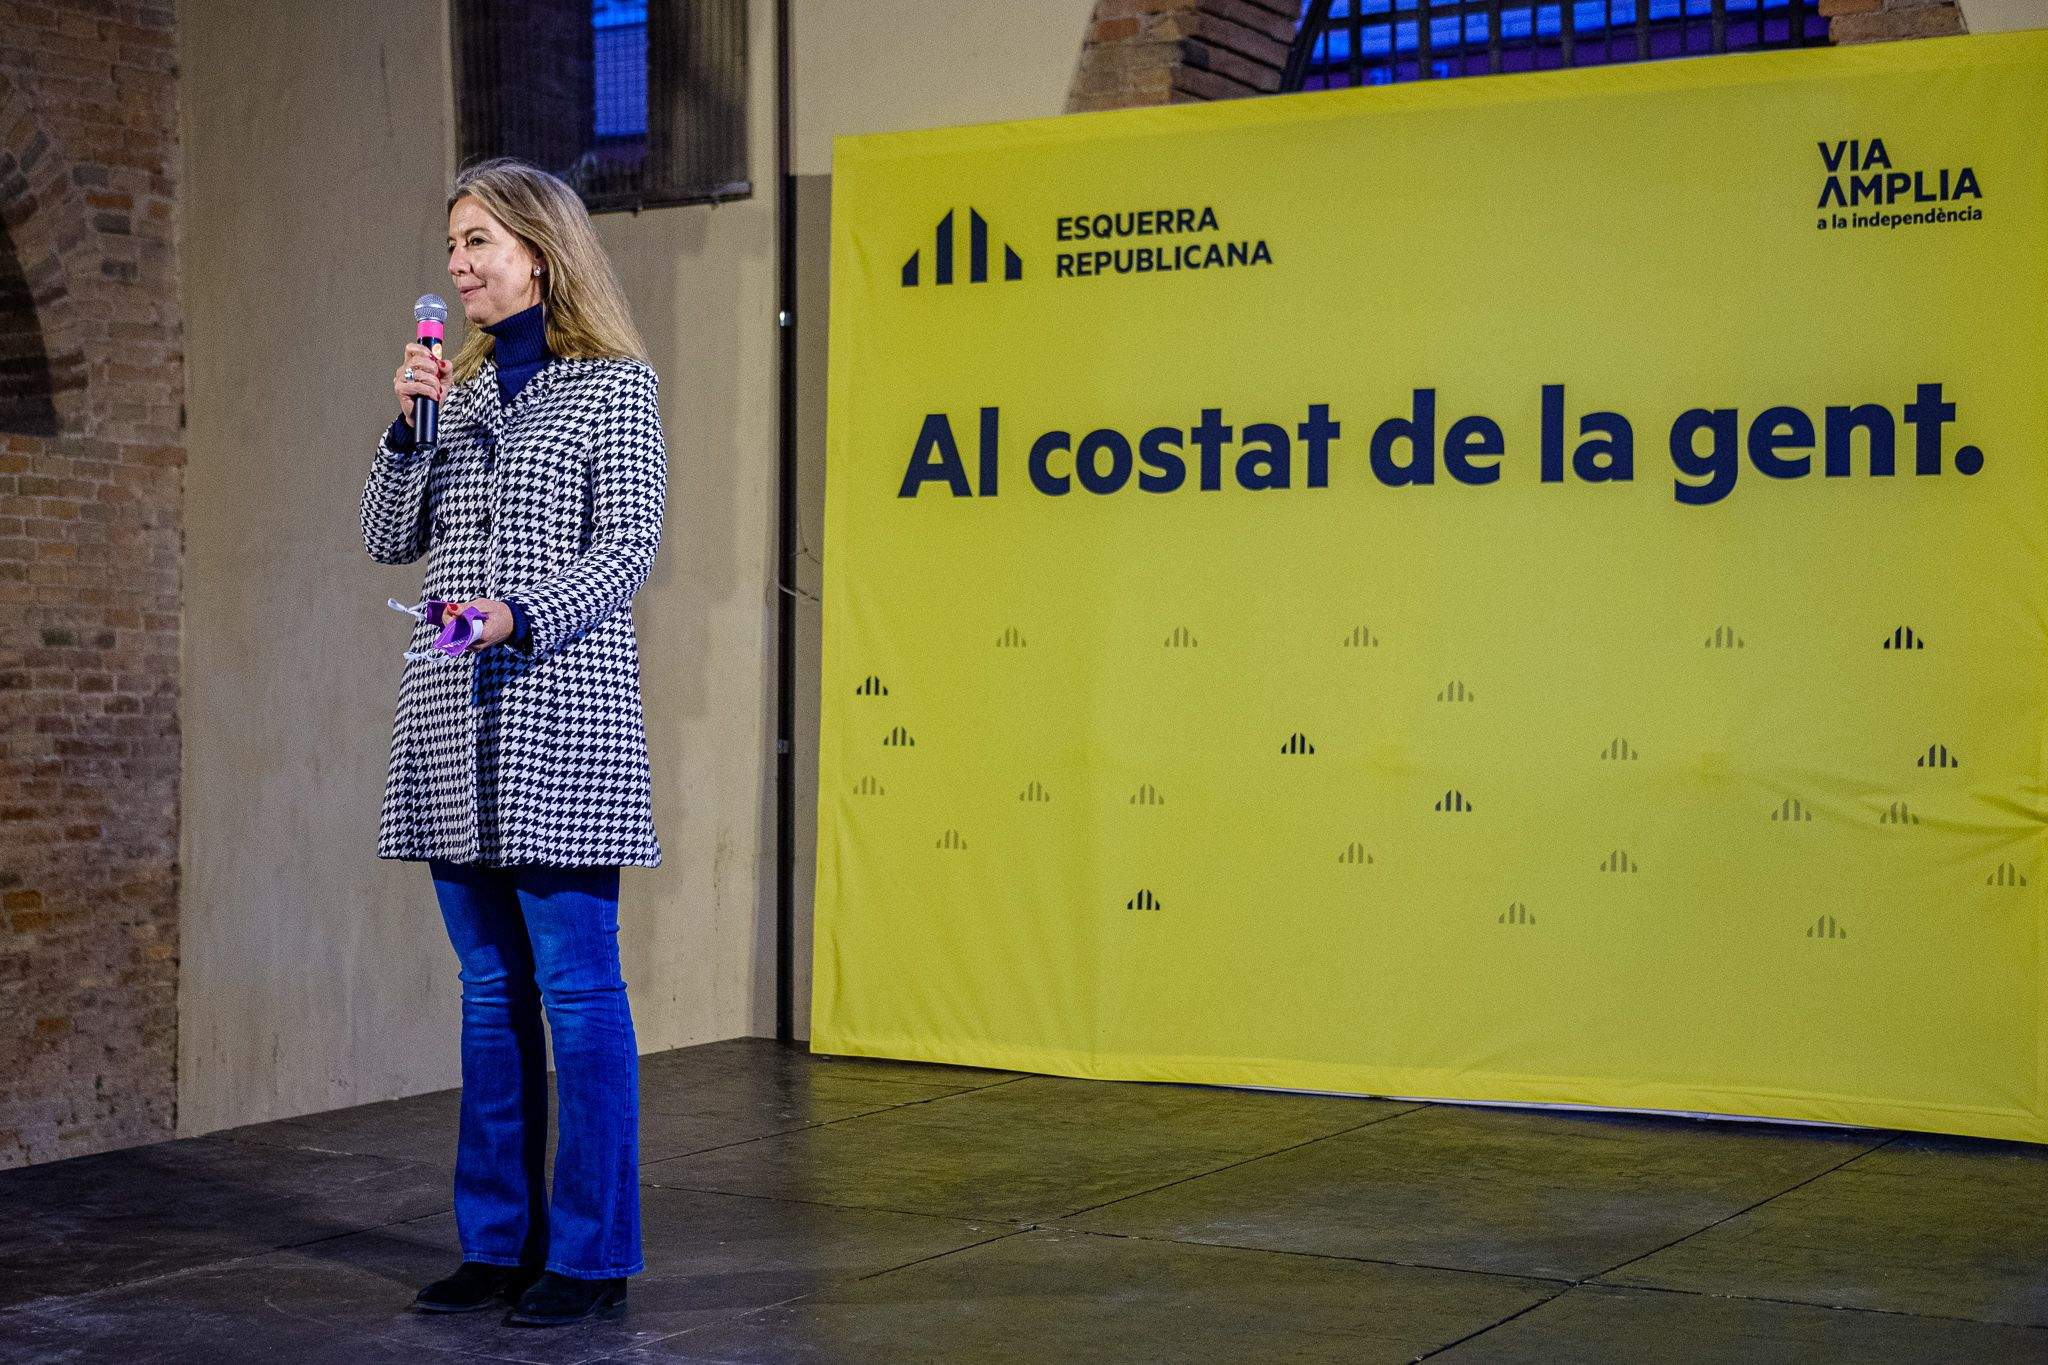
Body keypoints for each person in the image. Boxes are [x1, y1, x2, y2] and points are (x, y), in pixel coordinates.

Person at [360, 157, 666, 1329]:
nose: (458, 263)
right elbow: (391, 538)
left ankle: (589, 1258)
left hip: (562, 724)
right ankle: (496, 1244)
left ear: (539, 251)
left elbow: (627, 546)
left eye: (478, 241)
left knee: (578, 998)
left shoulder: (614, 389)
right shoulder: (460, 397)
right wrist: (405, 429)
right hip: (454, 731)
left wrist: (516, 614)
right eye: (451, 245)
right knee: (489, 996)